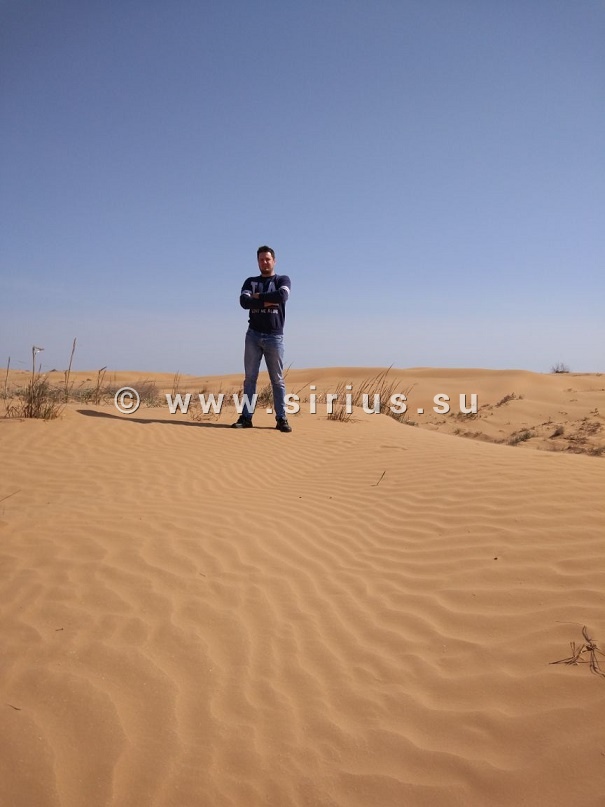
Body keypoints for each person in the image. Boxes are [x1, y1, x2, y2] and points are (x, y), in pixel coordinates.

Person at [232, 245, 292, 432]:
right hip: (253, 335)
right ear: (257, 262)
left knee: (277, 380)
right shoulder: (250, 281)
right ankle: (246, 417)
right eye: (261, 259)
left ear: (274, 261)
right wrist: (267, 301)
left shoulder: (282, 279)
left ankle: (281, 418)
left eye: (267, 259)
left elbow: (282, 295)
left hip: (275, 336)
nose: (264, 262)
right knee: (250, 379)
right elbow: (244, 302)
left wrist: (257, 298)